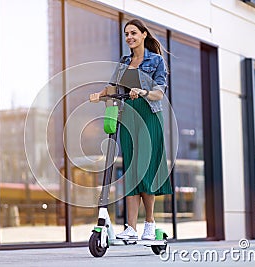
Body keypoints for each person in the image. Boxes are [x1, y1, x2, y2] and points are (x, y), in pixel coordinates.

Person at [89, 19, 173, 240]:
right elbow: (114, 86)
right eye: (126, 34)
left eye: (133, 33)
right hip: (128, 117)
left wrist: (143, 92)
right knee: (131, 173)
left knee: (146, 171)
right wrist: (100, 94)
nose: (129, 37)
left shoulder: (156, 61)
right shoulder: (125, 61)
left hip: (149, 117)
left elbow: (159, 93)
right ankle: (131, 228)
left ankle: (149, 223)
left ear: (144, 35)